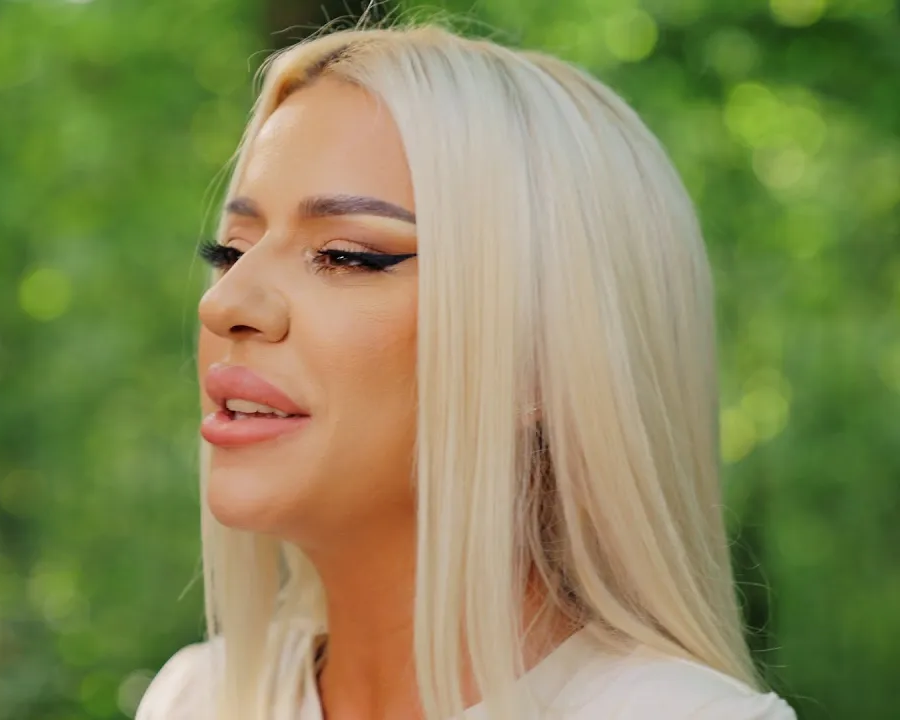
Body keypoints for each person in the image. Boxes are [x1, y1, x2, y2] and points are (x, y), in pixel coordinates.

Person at [137, 22, 797, 720]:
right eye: (232, 251)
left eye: (346, 255)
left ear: (540, 357)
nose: (224, 303)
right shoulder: (195, 700)